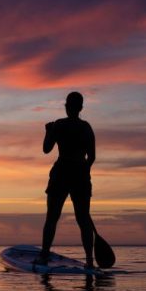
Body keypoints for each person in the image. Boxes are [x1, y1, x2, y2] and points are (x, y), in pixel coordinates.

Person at [37, 92, 95, 268]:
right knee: (83, 219)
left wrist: (48, 132)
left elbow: (46, 149)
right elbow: (91, 157)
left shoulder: (58, 125)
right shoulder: (86, 127)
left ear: (67, 107)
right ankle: (89, 262)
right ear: (81, 108)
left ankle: (45, 256)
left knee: (52, 217)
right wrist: (84, 171)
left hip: (61, 173)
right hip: (80, 175)